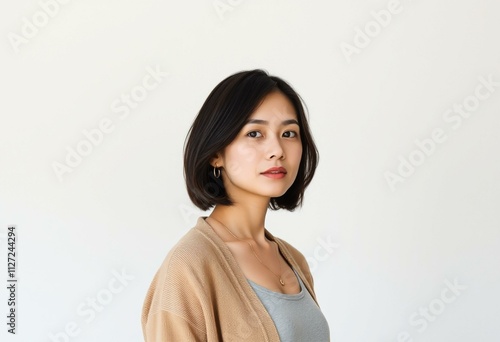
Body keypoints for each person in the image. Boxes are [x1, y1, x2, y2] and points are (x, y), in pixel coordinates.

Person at [141, 69, 330, 341]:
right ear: (216, 153)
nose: (277, 149)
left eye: (289, 133)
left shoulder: (294, 260)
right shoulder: (187, 267)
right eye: (255, 133)